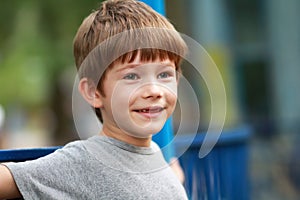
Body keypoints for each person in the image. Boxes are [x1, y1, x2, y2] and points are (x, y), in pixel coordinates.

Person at [0, 0, 188, 199]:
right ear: (93, 92)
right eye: (132, 76)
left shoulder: (154, 153)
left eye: (164, 75)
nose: (154, 90)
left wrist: (173, 182)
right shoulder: (84, 160)